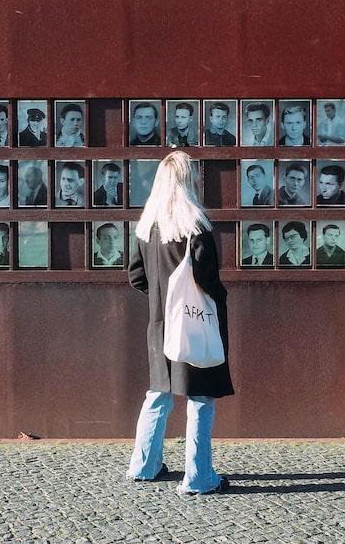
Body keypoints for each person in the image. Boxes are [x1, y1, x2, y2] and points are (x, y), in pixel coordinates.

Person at [126, 151, 231, 495]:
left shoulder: (147, 228)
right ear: (189, 181)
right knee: (200, 398)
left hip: (160, 325)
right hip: (193, 323)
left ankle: (143, 466)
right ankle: (198, 478)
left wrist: (161, 302)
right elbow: (208, 280)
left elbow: (136, 277)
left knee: (158, 394)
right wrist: (221, 296)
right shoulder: (195, 227)